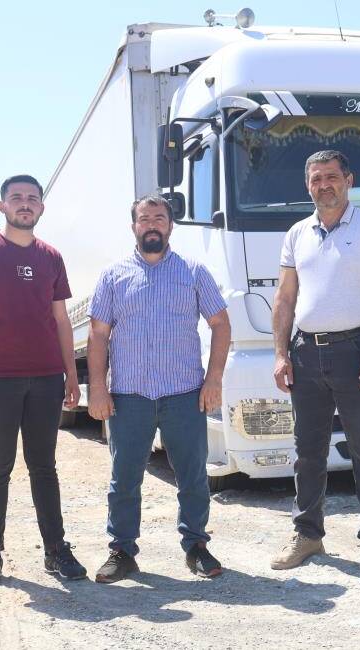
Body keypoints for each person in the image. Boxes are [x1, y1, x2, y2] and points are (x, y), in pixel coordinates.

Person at [86, 194, 232, 583]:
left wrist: (214, 379)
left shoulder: (193, 272)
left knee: (193, 476)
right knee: (124, 478)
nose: (152, 224)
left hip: (184, 393)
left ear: (170, 225)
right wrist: (97, 387)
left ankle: (196, 546)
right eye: (144, 218)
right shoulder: (113, 276)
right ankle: (122, 551)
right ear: (133, 226)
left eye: (159, 218)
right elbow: (98, 334)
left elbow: (220, 324)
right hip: (129, 396)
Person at [271, 150, 360, 576]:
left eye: (331, 177)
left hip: (356, 352)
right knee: (308, 452)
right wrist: (280, 354)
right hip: (306, 353)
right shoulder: (297, 233)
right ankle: (307, 534)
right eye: (316, 178)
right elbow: (285, 297)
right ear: (307, 184)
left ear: (348, 179)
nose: (323, 185)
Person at [0, 174, 87, 589]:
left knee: (44, 467)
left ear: (41, 208)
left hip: (46, 378)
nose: (24, 203)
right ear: (3, 206)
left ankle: (56, 550)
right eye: (17, 198)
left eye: (32, 198)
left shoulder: (51, 257)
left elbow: (61, 320)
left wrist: (71, 374)